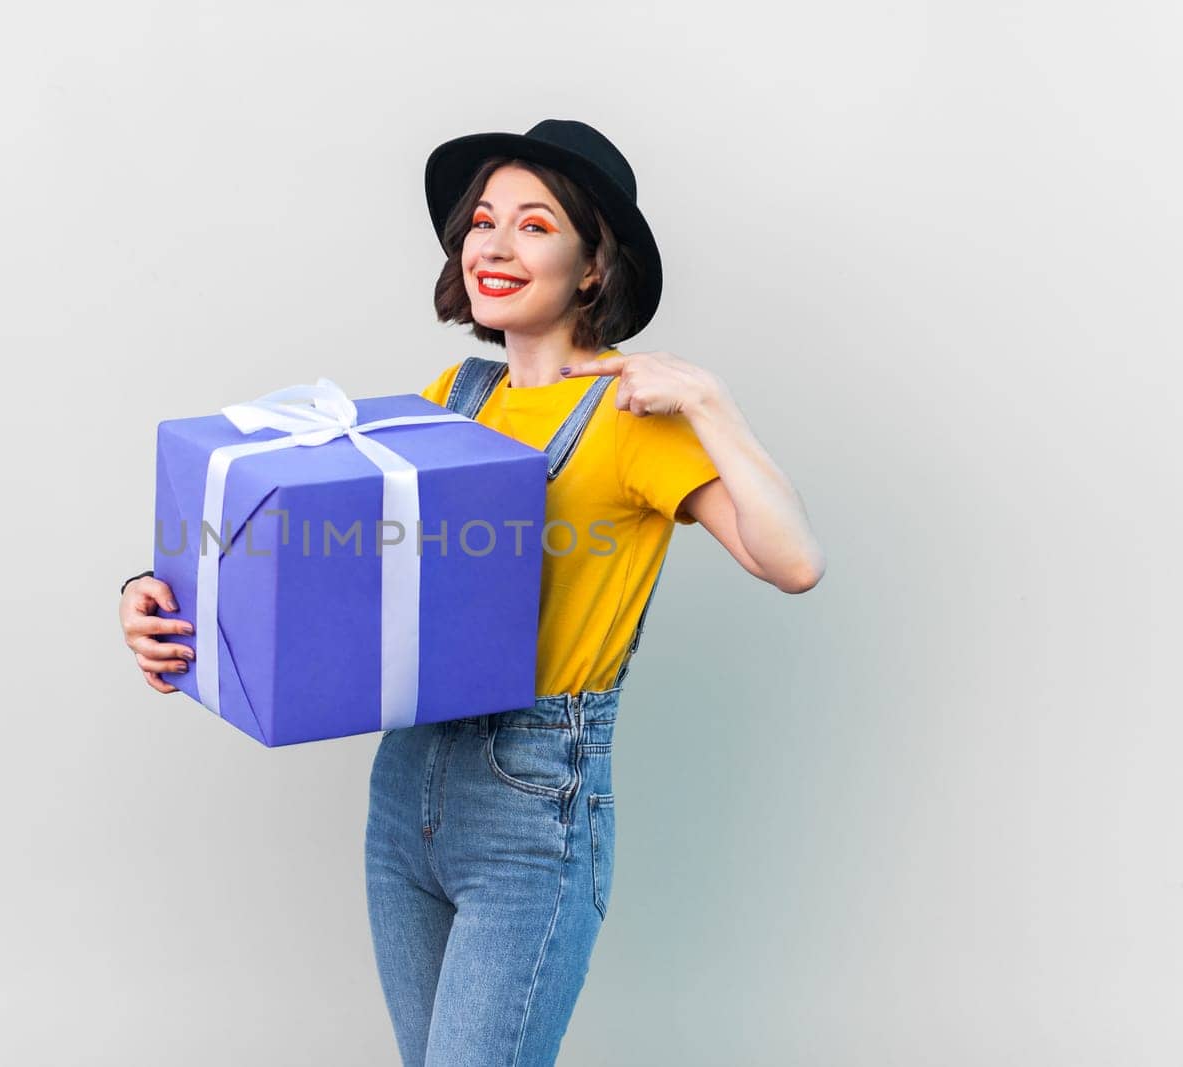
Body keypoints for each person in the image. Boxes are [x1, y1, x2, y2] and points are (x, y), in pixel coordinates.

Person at [119, 119, 825, 1066]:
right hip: (406, 787)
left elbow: (793, 563)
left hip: (531, 806)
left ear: (590, 265)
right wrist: (161, 597)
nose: (494, 244)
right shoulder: (452, 394)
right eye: (483, 220)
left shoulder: (636, 421)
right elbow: (339, 569)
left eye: (535, 224)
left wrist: (709, 403)